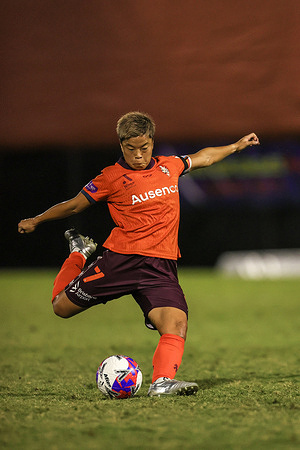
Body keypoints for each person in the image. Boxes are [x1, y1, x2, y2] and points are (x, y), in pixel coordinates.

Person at [18, 111, 260, 397]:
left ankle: (161, 383)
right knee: (61, 308)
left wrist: (235, 146)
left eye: (143, 148)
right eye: (130, 149)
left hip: (160, 266)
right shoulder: (110, 177)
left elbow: (204, 157)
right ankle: (79, 254)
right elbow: (73, 206)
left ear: (152, 143)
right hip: (121, 261)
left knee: (176, 323)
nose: (137, 155)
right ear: (121, 146)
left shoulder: (170, 166)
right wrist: (37, 220)